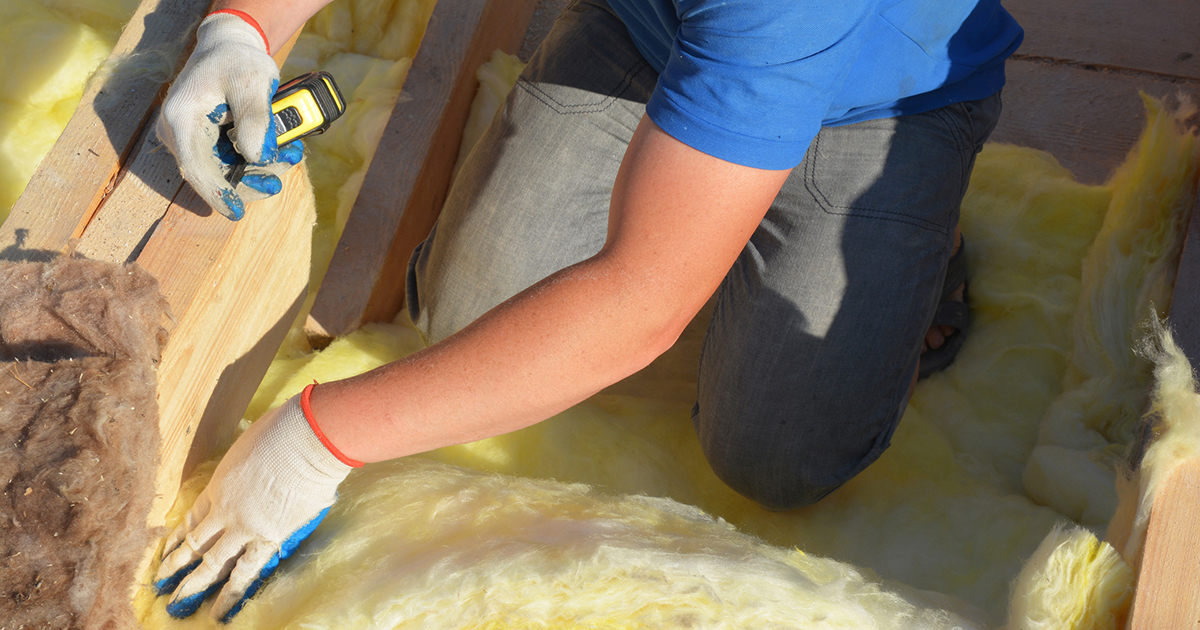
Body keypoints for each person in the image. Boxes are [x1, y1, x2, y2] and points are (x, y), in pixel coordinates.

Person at [151, 0, 1023, 620]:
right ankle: (700, 177)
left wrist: (313, 441)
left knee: (780, 453)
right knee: (471, 323)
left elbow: (643, 304)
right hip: (654, 32)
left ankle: (916, 243)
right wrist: (244, 28)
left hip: (875, 103)